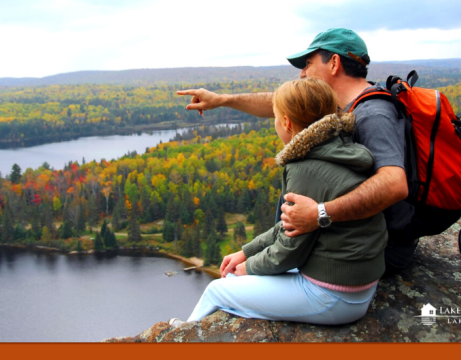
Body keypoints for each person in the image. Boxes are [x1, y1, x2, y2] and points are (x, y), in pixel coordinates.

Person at [178, 28, 417, 276]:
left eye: (308, 63)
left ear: (334, 63)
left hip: (371, 253)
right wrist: (221, 100)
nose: (302, 73)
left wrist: (319, 214)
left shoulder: (373, 115)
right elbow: (285, 103)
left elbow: (394, 184)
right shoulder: (340, 105)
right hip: (341, 242)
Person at [174, 78, 387, 326]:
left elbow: (290, 252)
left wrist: (246, 269)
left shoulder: (305, 168)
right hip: (357, 285)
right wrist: (246, 252)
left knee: (218, 290)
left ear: (286, 122)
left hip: (334, 296)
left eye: (275, 117)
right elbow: (292, 225)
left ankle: (181, 338)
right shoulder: (341, 147)